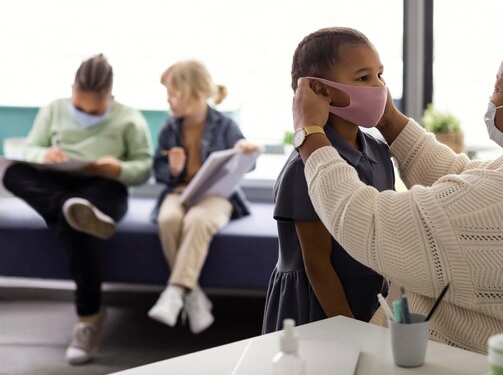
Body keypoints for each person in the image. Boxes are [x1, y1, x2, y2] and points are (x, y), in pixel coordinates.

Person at [291, 21, 503, 373]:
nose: (491, 98)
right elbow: (465, 181)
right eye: (364, 78)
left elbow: (364, 219)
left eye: (498, 87)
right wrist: (387, 117)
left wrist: (309, 133)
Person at [2, 54, 152, 365]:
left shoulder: (129, 119)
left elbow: (143, 168)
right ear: (72, 89)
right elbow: (26, 148)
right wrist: (46, 154)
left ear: (110, 94)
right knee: (12, 172)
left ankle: (89, 317)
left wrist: (118, 168)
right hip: (57, 184)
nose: (85, 112)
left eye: (94, 110)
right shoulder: (53, 109)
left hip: (103, 189)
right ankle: (67, 209)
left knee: (80, 223)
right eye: (80, 106)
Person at [262, 27, 394, 334]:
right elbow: (318, 266)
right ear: (320, 90)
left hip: (370, 296)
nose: (379, 88)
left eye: (380, 75)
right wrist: (350, 332)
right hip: (318, 306)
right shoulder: (304, 166)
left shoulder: (377, 150)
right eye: (363, 78)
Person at [149, 60, 258, 334]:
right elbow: (158, 169)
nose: (169, 101)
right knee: (169, 219)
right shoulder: (170, 127)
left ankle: (175, 293)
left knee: (198, 221)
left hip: (215, 196)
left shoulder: (225, 125)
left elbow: (250, 163)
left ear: (194, 93)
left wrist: (245, 150)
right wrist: (172, 169)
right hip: (179, 191)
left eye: (173, 94)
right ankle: (193, 296)